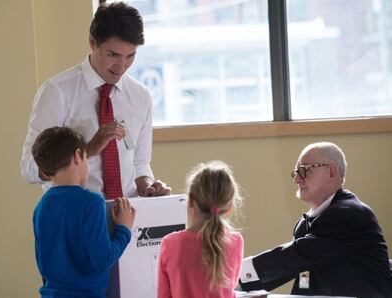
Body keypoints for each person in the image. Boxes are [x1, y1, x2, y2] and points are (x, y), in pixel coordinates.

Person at [20, 1, 170, 198]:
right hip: (75, 218)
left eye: (130, 56)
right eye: (113, 55)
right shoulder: (57, 92)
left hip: (128, 220)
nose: (121, 66)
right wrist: (87, 149)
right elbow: (29, 168)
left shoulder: (141, 97)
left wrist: (148, 186)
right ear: (92, 42)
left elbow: (140, 164)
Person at [240, 142, 392, 297]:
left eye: (305, 170)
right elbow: (288, 267)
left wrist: (230, 273)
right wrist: (234, 286)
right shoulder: (309, 220)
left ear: (331, 172)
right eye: (296, 172)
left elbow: (294, 256)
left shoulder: (350, 214)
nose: (297, 179)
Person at [32, 126, 136, 298]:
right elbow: (102, 260)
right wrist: (124, 230)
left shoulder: (41, 207)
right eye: (87, 157)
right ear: (77, 155)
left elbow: (43, 266)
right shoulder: (92, 202)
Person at [158, 161, 244, 298]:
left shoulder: (170, 243)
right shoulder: (236, 241)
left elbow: (163, 295)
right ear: (229, 207)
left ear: (191, 200)